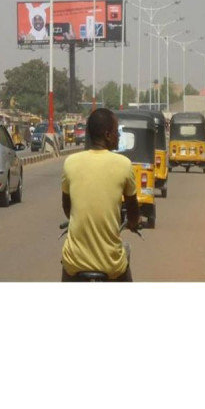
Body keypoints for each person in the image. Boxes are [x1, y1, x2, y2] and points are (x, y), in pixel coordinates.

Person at [61, 108, 140, 281]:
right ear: (107, 135)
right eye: (116, 131)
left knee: (66, 265)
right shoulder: (124, 165)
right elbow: (133, 211)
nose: (118, 135)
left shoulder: (70, 163)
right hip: (111, 264)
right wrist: (133, 223)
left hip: (75, 262)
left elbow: (67, 207)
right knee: (125, 252)